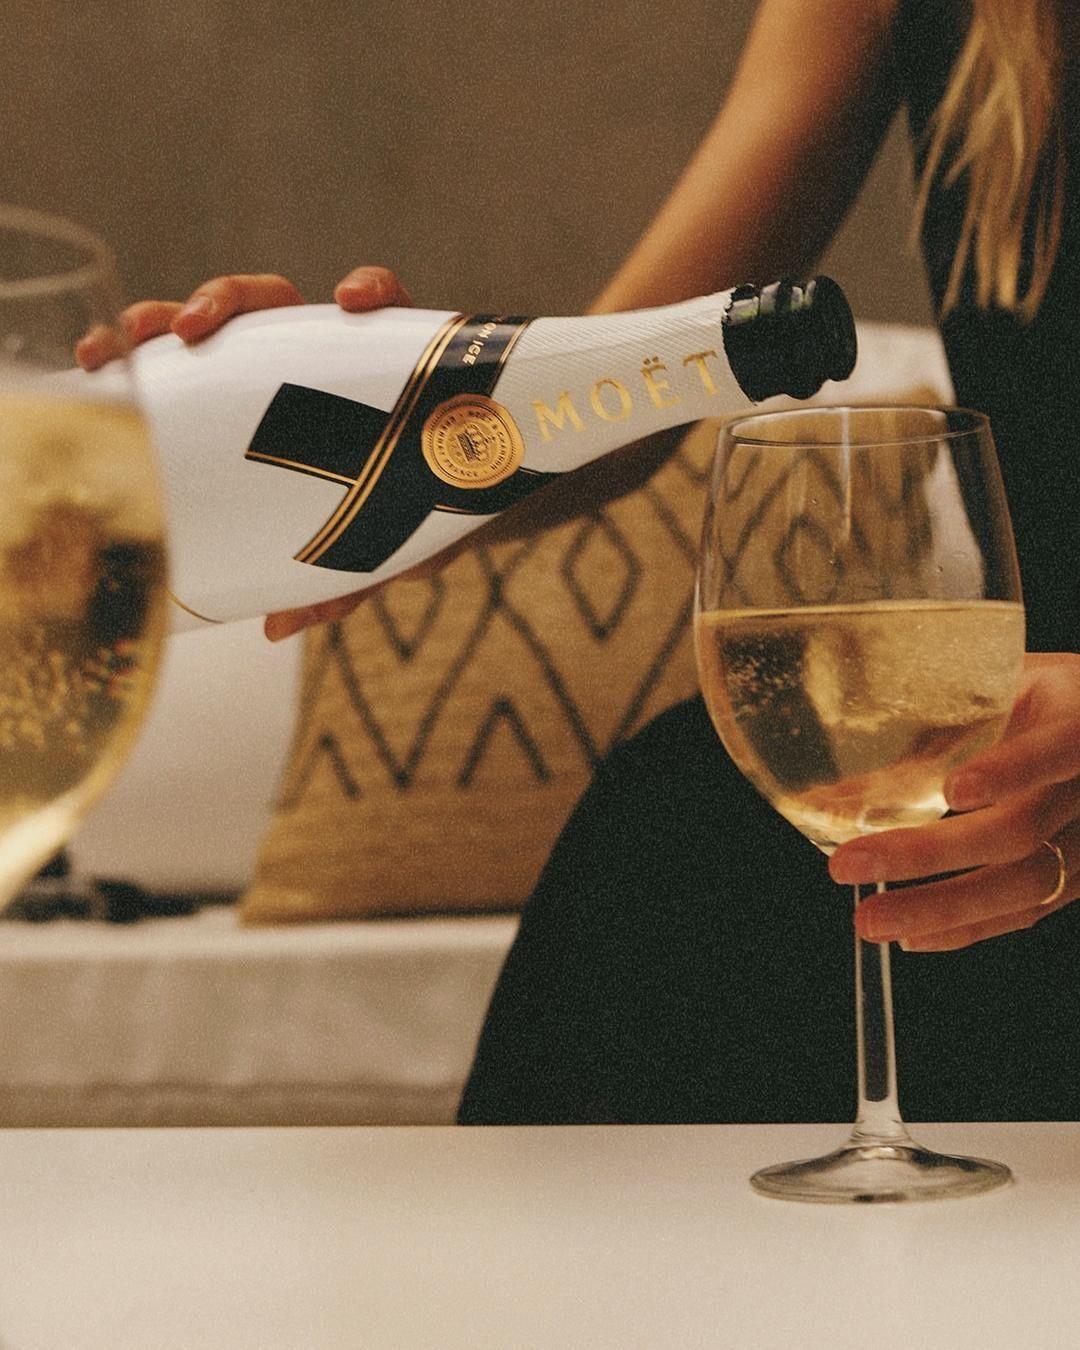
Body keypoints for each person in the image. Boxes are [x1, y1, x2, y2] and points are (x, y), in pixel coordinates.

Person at [79, 0, 1080, 1122]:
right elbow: (627, 398)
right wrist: (379, 434)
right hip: (1007, 783)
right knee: (667, 844)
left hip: (1013, 799)